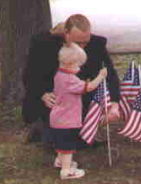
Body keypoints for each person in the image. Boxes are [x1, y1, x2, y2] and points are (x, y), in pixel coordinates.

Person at [22, 14, 120, 145]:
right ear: (66, 34)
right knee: (57, 142)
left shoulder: (97, 44)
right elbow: (30, 75)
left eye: (85, 42)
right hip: (54, 98)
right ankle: (41, 127)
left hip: (82, 96)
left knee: (81, 142)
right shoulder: (43, 43)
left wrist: (114, 104)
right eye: (77, 43)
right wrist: (42, 94)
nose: (82, 47)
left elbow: (110, 75)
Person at [51, 42, 107, 179]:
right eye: (77, 65)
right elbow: (89, 87)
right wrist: (101, 76)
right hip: (67, 119)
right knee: (68, 146)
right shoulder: (70, 79)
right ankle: (66, 171)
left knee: (61, 143)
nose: (79, 68)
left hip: (58, 118)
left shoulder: (59, 75)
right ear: (69, 64)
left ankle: (60, 161)